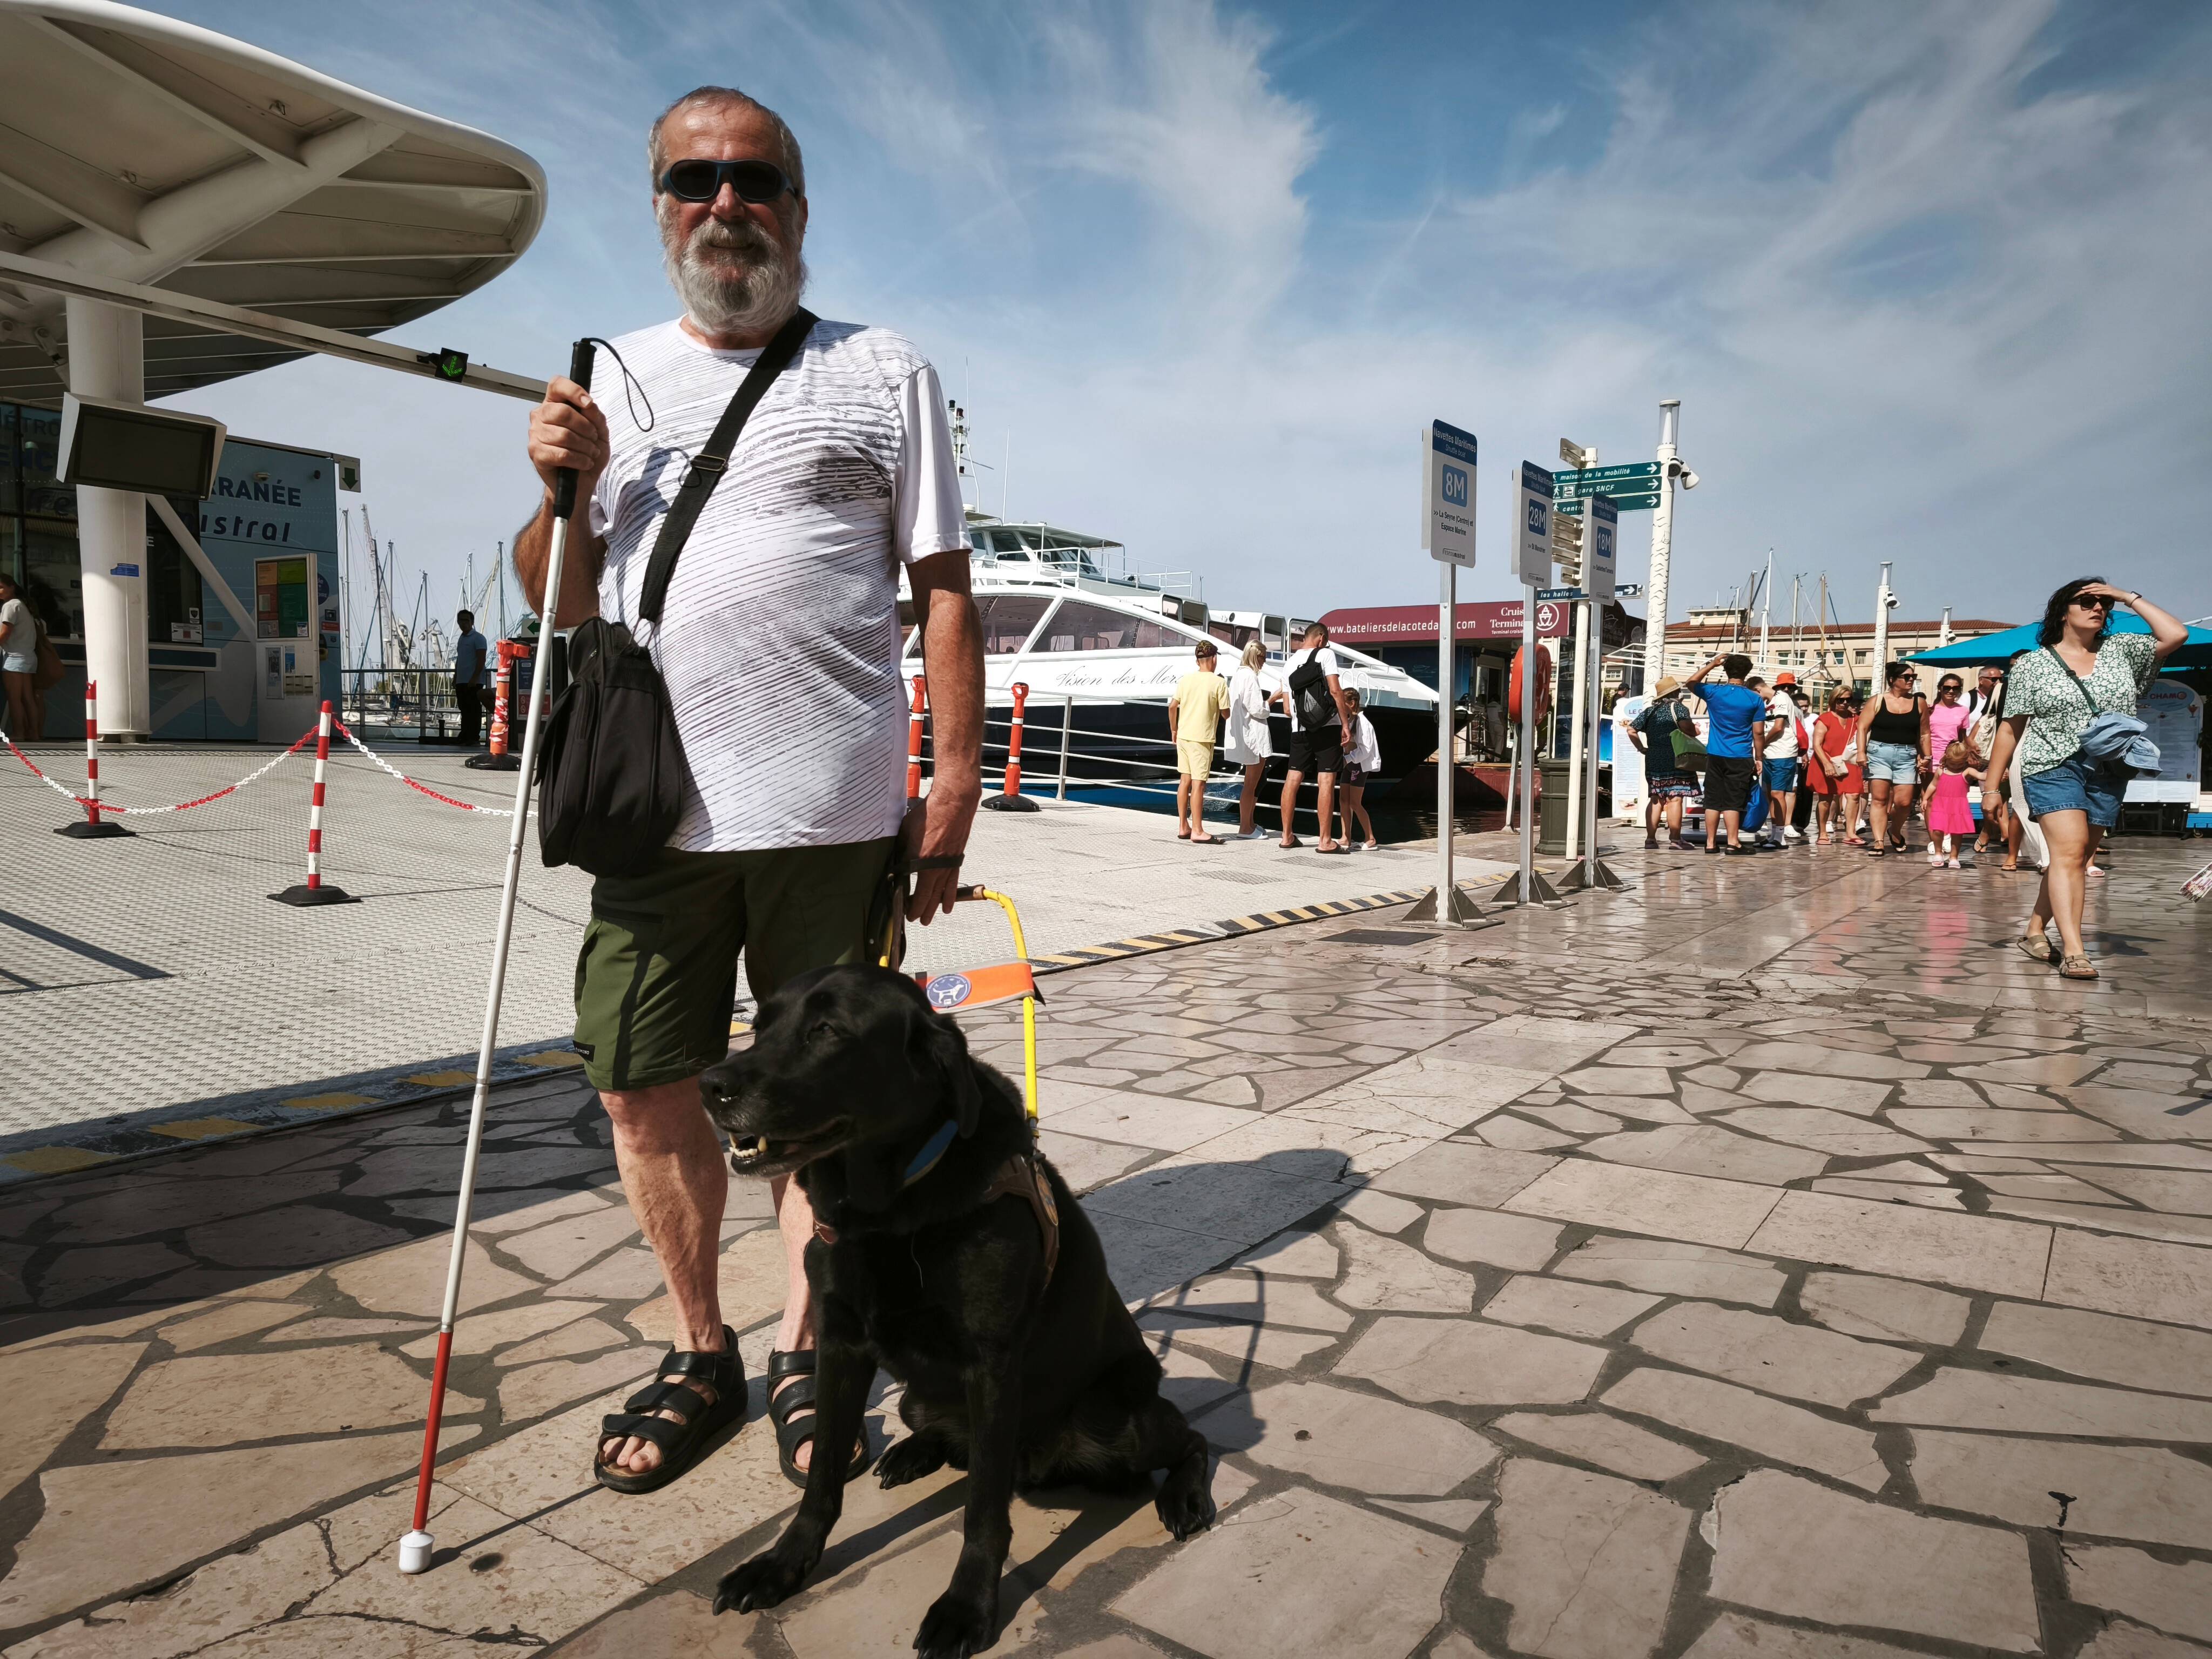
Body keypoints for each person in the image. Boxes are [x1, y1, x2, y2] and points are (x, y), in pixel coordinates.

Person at [517, 85, 983, 1494]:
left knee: (822, 1109)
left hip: (832, 821)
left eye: (754, 178)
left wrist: (953, 780)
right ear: (661, 207)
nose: (725, 203)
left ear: (797, 205)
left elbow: (942, 591)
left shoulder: (883, 368)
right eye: (693, 180)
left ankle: (807, 1346)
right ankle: (700, 1345)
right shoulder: (610, 373)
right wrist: (555, 492)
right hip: (650, 813)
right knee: (639, 1087)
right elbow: (559, 600)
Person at [1980, 578, 2187, 979]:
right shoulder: (2034, 665)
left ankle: (2034, 930)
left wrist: (2127, 597)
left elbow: (2175, 634)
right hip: (2052, 765)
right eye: (2087, 601)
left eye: (2103, 603)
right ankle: (2075, 951)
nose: (2098, 608)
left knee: (2073, 858)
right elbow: (2010, 728)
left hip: (2109, 768)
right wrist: (1991, 787)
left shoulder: (2122, 650)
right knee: (2070, 852)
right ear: (2063, 611)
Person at [1272, 622, 1353, 853]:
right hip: (1327, 728)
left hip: (1299, 729)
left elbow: (1286, 709)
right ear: (1321, 638)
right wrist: (1345, 724)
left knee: (1292, 778)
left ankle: (1287, 836)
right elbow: (1336, 691)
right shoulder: (1325, 654)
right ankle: (1325, 841)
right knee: (1326, 780)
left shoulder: (1289, 663)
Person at [1683, 652, 1766, 855]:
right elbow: (1758, 733)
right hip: (1740, 755)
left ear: (1726, 671)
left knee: (1712, 800)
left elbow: (1691, 683)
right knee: (1733, 801)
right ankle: (1732, 842)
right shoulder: (1754, 699)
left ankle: (1711, 843)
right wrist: (1759, 758)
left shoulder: (1714, 692)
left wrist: (1712, 664)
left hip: (1715, 753)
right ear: (1747, 673)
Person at [1852, 662, 1928, 857]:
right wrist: (1861, 752)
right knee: (1880, 799)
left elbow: (1925, 733)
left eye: (1913, 677)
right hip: (1879, 753)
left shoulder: (1919, 703)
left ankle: (1894, 830)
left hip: (1907, 755)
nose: (1911, 680)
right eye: (1907, 677)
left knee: (1904, 803)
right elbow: (1862, 727)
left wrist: (1927, 756)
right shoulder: (1877, 701)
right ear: (1893, 680)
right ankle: (1878, 842)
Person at [1168, 640, 1229, 844]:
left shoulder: (1186, 680)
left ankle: (1183, 826)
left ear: (1197, 661)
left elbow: (1172, 706)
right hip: (1201, 739)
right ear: (1214, 659)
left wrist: (1174, 730)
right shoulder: (1219, 683)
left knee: (1184, 781)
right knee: (1199, 785)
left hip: (1184, 736)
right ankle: (1198, 830)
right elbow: (1226, 714)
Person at [1629, 676, 1698, 849]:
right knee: (1675, 798)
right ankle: (1675, 840)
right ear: (1675, 693)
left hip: (1654, 759)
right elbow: (1688, 729)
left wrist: (1641, 748)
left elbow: (1631, 730)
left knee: (1656, 799)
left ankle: (1650, 839)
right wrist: (1695, 730)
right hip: (1676, 758)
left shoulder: (1649, 712)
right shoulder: (1679, 708)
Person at [1222, 638, 1273, 839]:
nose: (1264, 662)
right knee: (1251, 784)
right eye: (1263, 658)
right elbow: (1257, 709)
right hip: (1254, 738)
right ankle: (1245, 827)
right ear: (1256, 656)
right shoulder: (1249, 676)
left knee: (1253, 782)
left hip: (1247, 736)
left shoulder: (1238, 675)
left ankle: (1249, 824)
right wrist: (1273, 699)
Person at [1808, 689, 1864, 845]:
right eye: (1841, 700)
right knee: (1826, 798)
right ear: (1833, 700)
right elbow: (1817, 745)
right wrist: (1827, 764)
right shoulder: (1825, 719)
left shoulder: (1856, 719)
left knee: (1854, 795)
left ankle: (1851, 833)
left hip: (1849, 761)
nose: (1845, 703)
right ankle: (1823, 833)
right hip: (1826, 761)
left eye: (1848, 699)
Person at [1761, 673, 1807, 846]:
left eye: (1791, 687)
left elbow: (1784, 728)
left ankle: (1781, 834)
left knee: (1780, 793)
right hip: (1771, 753)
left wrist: (1761, 744)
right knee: (1772, 794)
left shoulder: (1784, 699)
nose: (1787, 689)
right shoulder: (1771, 702)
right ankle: (1775, 834)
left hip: (1784, 752)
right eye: (1783, 686)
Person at [1925, 740, 1980, 868]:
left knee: (1957, 833)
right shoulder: (1941, 771)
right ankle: (1938, 853)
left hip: (1958, 807)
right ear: (1946, 758)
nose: (1956, 767)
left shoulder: (1967, 771)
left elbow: (1981, 775)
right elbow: (1933, 785)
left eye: (1959, 764)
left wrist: (1997, 775)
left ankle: (1954, 857)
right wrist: (1925, 799)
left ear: (1965, 760)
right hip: (1941, 804)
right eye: (1953, 763)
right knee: (1937, 830)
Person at [0, 572, 42, 741]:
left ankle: (19, 733)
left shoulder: (10, 606)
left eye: (1, 587)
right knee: (28, 698)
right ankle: (34, 733)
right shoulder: (22, 605)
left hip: (14, 659)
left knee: (14, 698)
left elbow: (5, 633)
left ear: (12, 587)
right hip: (28, 657)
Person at [1338, 687, 1380, 849]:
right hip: (1348, 765)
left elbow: (1366, 749)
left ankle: (1370, 838)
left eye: (1342, 703)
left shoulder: (1363, 722)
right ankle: (1346, 837)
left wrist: (1348, 759)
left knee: (1355, 803)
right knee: (1343, 801)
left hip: (1358, 766)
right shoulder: (1349, 721)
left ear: (1352, 703)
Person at [452, 609, 490, 746]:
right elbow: (460, 659)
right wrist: (456, 676)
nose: (464, 623)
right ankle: (465, 735)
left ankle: (474, 737)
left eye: (466, 620)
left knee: (474, 709)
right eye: (461, 621)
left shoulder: (479, 638)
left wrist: (474, 678)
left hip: (474, 681)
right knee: (464, 709)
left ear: (472, 622)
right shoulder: (462, 639)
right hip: (461, 680)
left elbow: (481, 659)